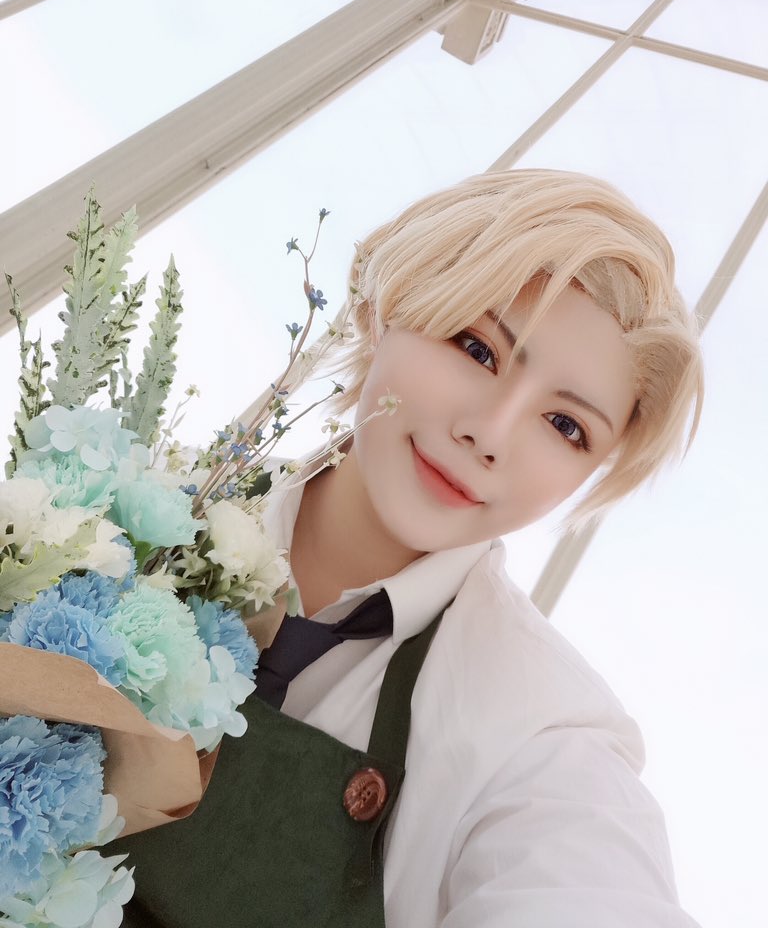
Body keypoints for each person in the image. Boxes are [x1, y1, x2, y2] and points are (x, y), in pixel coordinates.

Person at [109, 169, 703, 927]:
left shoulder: (543, 733)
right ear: (383, 307)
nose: (488, 434)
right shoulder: (129, 510)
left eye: (565, 427)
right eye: (478, 348)